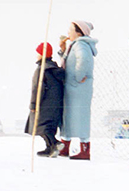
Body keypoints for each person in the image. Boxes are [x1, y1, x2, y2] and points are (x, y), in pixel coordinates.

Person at [58, 20, 98, 160]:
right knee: (70, 116)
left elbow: (84, 60)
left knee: (79, 116)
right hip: (74, 88)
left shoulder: (80, 44)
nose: (68, 32)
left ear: (79, 32)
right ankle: (66, 147)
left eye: (70, 30)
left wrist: (77, 77)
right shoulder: (75, 45)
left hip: (78, 88)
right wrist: (62, 50)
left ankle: (84, 150)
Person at [24, 42, 65, 157]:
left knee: (40, 126)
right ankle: (50, 148)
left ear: (42, 54)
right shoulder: (55, 69)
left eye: (38, 53)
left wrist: (33, 105)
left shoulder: (41, 70)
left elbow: (37, 89)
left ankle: (55, 143)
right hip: (55, 104)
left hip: (43, 103)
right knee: (48, 126)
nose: (37, 55)